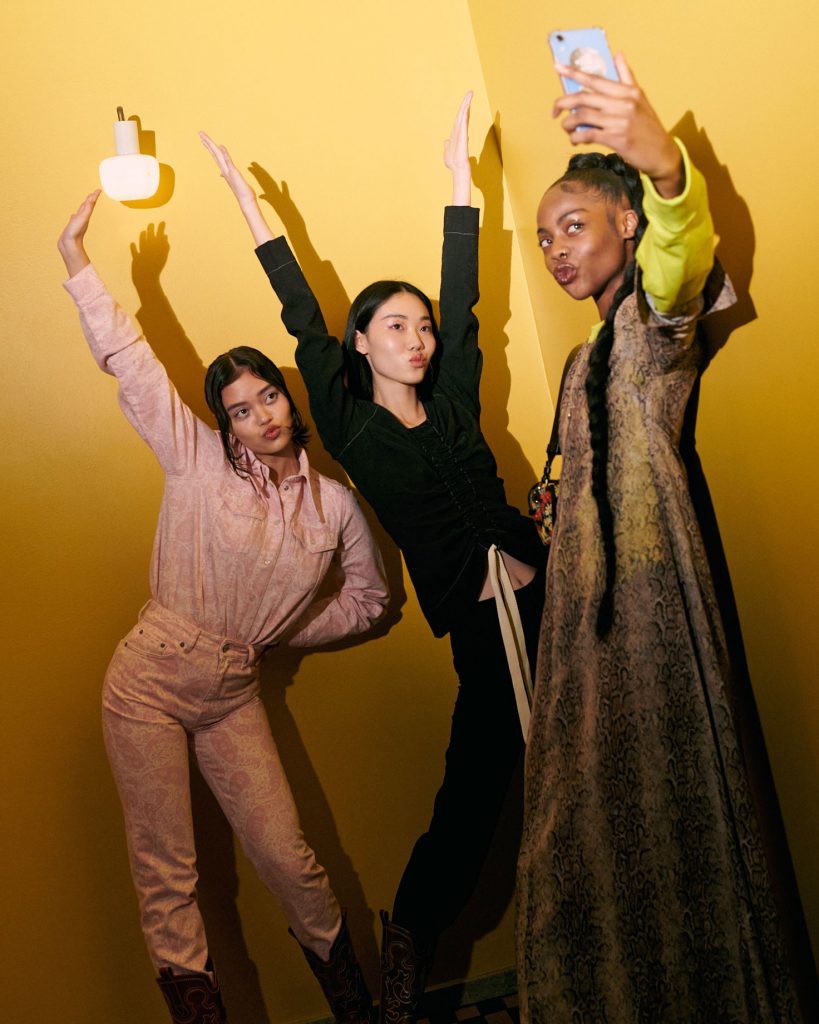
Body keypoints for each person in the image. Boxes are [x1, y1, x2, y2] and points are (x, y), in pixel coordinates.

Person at [200, 92, 547, 1022]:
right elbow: (301, 320)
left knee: (589, 763)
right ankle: (408, 945)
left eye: (421, 326)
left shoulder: (456, 393)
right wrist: (249, 207)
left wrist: (458, 183)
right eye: (396, 325)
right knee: (472, 804)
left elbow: (465, 303)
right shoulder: (351, 425)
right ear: (361, 343)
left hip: (548, 598)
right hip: (480, 629)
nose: (419, 338)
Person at [516, 54, 803, 1023]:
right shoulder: (577, 361)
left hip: (651, 608)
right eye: (544, 235)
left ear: (625, 223)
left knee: (672, 807)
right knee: (585, 820)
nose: (555, 249)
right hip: (577, 625)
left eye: (573, 225)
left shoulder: (653, 323)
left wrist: (667, 169)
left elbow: (683, 253)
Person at [58, 192, 388, 1024]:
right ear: (225, 424)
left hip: (234, 691)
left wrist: (279, 633)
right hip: (147, 684)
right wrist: (78, 262)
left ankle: (357, 1009)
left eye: (267, 397)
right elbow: (132, 362)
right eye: (239, 410)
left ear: (287, 398)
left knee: (291, 862)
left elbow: (370, 601)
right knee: (168, 873)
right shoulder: (195, 459)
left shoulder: (335, 507)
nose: (260, 417)